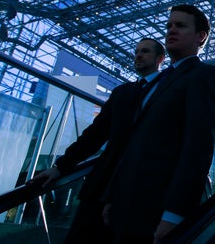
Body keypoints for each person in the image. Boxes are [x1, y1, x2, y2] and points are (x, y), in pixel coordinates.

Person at [101, 5, 215, 243]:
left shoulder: (205, 75)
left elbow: (199, 145)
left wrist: (175, 213)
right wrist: (113, 194)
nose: (171, 30)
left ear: (201, 36)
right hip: (125, 202)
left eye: (180, 25)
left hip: (157, 209)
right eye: (169, 25)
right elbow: (135, 142)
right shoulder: (158, 81)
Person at [29, 38, 165, 243]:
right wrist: (61, 166)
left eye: (145, 51)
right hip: (102, 184)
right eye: (136, 51)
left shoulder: (168, 89)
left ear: (160, 58)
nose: (138, 55)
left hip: (139, 188)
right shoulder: (122, 92)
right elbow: (96, 133)